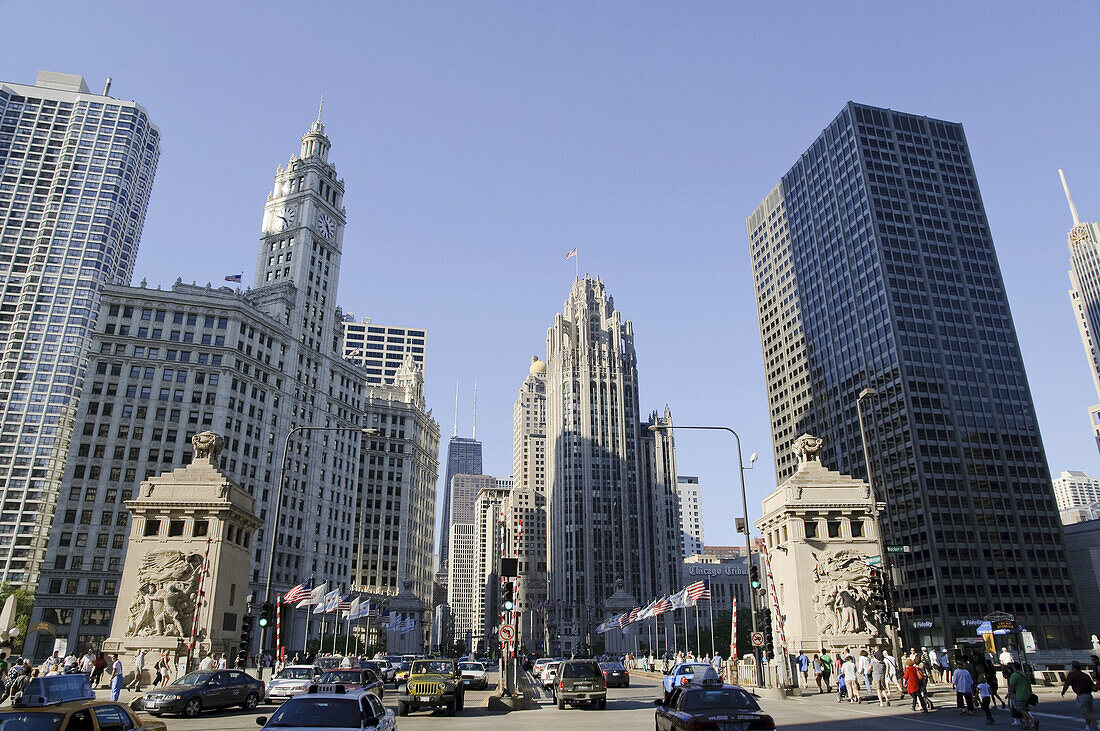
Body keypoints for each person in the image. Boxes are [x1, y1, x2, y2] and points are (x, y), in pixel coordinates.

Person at [1061, 660, 1097, 731]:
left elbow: (1067, 684)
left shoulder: (1072, 674)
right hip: (1089, 695)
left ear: (1072, 667)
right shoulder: (1085, 675)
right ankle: (1088, 728)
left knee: (1085, 713)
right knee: (1088, 713)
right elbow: (1092, 686)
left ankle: (1097, 724)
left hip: (1081, 696)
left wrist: (1063, 692)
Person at [1008, 661, 1036, 729]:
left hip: (1020, 694)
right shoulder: (1023, 674)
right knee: (1025, 710)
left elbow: (1012, 686)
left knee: (1020, 709)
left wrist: (1009, 694)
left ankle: (1033, 720)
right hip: (1027, 693)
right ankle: (1027, 724)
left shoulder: (1014, 675)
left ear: (1013, 667)